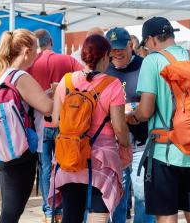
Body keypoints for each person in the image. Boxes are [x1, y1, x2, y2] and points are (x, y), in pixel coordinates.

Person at [130, 17, 190, 223]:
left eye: (145, 44)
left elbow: (145, 111)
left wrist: (133, 116)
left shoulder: (152, 60)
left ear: (150, 39)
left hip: (164, 152)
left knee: (166, 215)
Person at [50, 34, 130, 223]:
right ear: (104, 57)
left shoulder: (66, 81)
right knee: (98, 214)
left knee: (71, 214)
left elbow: (55, 120)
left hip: (70, 155)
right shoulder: (112, 84)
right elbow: (119, 127)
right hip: (101, 159)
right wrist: (126, 145)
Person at [0, 29, 53, 223]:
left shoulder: (0, 74)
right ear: (26, 51)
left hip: (3, 151)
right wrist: (57, 93)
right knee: (12, 212)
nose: (38, 53)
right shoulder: (20, 77)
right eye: (36, 49)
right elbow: (48, 108)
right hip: (21, 153)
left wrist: (44, 93)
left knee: (9, 209)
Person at [26, 29, 83, 223]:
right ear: (51, 41)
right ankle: (62, 206)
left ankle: (49, 209)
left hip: (40, 122)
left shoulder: (31, 63)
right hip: (65, 121)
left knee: (44, 168)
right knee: (64, 165)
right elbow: (84, 81)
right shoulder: (67, 60)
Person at [105, 28, 155, 223]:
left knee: (143, 196)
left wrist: (133, 108)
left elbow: (154, 101)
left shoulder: (145, 67)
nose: (116, 53)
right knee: (116, 196)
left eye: (120, 48)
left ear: (131, 45)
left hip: (142, 143)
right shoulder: (105, 69)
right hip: (114, 142)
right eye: (112, 49)